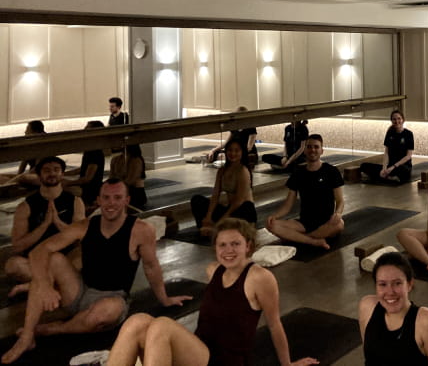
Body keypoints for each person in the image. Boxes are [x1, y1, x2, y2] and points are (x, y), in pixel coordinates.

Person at [1, 178, 191, 364]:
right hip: (79, 292)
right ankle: (27, 337)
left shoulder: (141, 230)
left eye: (117, 198)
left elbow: (151, 267)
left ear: (127, 200)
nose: (111, 203)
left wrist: (164, 299)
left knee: (106, 312)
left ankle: (54, 329)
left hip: (113, 298)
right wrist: (43, 284)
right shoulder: (85, 226)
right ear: (98, 200)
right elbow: (39, 251)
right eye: (106, 198)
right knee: (51, 260)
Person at [106, 218, 319, 366]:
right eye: (222, 245)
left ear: (248, 246)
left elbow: (274, 324)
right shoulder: (213, 271)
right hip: (201, 353)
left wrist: (287, 364)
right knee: (137, 321)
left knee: (162, 326)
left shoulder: (260, 278)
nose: (228, 250)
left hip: (227, 361)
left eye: (235, 244)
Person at [4, 157, 85, 291]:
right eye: (47, 170)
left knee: (88, 254)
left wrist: (57, 222)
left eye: (56, 170)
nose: (52, 173)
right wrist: (45, 225)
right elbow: (18, 246)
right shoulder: (26, 206)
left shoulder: (75, 201)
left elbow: (81, 237)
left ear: (62, 174)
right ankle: (58, 282)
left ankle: (40, 284)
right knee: (13, 265)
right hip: (37, 260)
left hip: (66, 258)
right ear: (39, 175)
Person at [358, 252, 428, 366]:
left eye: (397, 283)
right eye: (382, 284)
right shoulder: (367, 307)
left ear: (409, 284)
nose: (390, 292)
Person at [266, 135, 345, 249]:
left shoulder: (331, 171)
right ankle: (313, 241)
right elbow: (288, 204)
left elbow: (340, 200)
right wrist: (274, 216)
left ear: (321, 151)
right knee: (271, 224)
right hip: (303, 223)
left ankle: (298, 238)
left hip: (326, 222)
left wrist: (337, 213)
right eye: (309, 147)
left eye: (316, 147)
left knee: (340, 224)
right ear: (304, 150)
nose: (312, 150)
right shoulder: (298, 173)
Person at [192, 138, 256, 237]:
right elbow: (215, 195)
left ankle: (218, 229)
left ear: (242, 152)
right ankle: (209, 227)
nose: (233, 153)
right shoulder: (222, 171)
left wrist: (222, 220)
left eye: (236, 151)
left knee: (245, 207)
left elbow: (239, 202)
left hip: (242, 210)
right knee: (197, 200)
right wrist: (208, 216)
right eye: (230, 150)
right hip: (229, 209)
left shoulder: (243, 171)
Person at [360, 110, 414, 183]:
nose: (397, 121)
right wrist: (384, 168)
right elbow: (386, 153)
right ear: (391, 121)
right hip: (390, 167)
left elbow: (408, 156)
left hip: (401, 166)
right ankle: (389, 177)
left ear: (403, 120)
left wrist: (393, 167)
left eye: (399, 118)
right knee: (364, 165)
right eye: (394, 119)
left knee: (404, 171)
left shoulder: (409, 134)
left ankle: (382, 176)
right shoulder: (390, 132)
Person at [63, 120, 106, 210]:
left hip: (91, 190)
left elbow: (87, 179)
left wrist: (68, 183)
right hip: (86, 187)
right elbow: (82, 169)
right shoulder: (89, 150)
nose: (84, 129)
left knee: (60, 188)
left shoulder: (95, 152)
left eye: (87, 128)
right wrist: (63, 174)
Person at [0, 120, 46, 187]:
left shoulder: (43, 144)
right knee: (1, 176)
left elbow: (37, 169)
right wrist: (17, 175)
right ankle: (8, 185)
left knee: (21, 178)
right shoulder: (31, 143)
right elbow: (24, 161)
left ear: (35, 132)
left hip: (40, 176)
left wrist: (18, 177)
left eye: (27, 130)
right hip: (30, 175)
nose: (25, 132)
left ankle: (5, 187)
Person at [110, 144, 147, 210]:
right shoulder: (115, 159)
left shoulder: (136, 160)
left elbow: (130, 180)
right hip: (120, 189)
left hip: (135, 193)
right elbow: (111, 177)